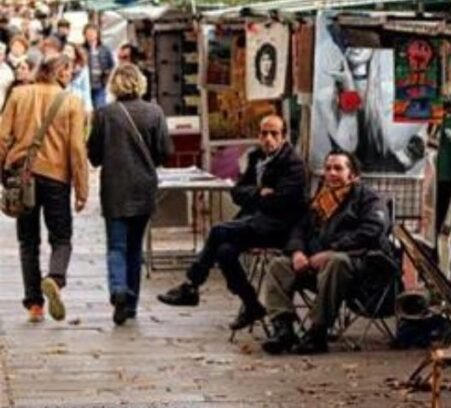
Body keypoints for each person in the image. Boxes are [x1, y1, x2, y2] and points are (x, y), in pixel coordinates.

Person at [158, 115, 306, 330]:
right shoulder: (256, 158)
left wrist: (259, 197)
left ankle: (191, 285)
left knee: (218, 230)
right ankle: (251, 304)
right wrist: (258, 193)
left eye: (274, 134)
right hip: (253, 220)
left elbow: (282, 201)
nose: (268, 139)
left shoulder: (292, 164)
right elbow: (237, 192)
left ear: (283, 137)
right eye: (264, 133)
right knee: (225, 252)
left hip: (277, 226)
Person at [261, 149, 393, 355]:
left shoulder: (368, 198)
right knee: (278, 265)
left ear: (352, 174)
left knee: (335, 261)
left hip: (359, 265)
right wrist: (297, 252)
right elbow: (299, 229)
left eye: (338, 168)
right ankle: (283, 329)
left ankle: (317, 332)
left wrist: (333, 250)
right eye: (328, 168)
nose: (331, 173)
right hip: (315, 265)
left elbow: (373, 230)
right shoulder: (319, 200)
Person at [0, 54, 88, 323]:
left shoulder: (19, 96)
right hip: (56, 178)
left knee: (28, 241)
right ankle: (55, 277)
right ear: (59, 72)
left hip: (22, 175)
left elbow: (2, 137)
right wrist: (82, 188)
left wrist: (3, 173)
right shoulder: (72, 102)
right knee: (61, 237)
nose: (70, 75)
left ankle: (34, 304)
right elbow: (76, 148)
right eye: (68, 71)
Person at [88, 64, 173, 325]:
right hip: (143, 187)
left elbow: (94, 155)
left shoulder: (104, 114)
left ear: (114, 84)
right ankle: (131, 304)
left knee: (117, 245)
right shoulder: (154, 113)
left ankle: (118, 290)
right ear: (140, 83)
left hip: (115, 188)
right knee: (135, 248)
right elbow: (165, 152)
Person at [83, 24, 113, 109]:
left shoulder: (105, 49)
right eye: (88, 33)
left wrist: (107, 75)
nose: (91, 35)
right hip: (86, 84)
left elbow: (111, 65)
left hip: (100, 84)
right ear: (85, 35)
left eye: (93, 33)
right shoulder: (82, 49)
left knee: (100, 108)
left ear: (97, 34)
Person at [66, 46, 93, 118]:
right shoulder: (59, 67)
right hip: (63, 101)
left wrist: (88, 107)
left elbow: (86, 88)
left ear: (74, 54)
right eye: (65, 51)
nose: (66, 53)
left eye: (69, 51)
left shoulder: (83, 68)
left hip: (77, 100)